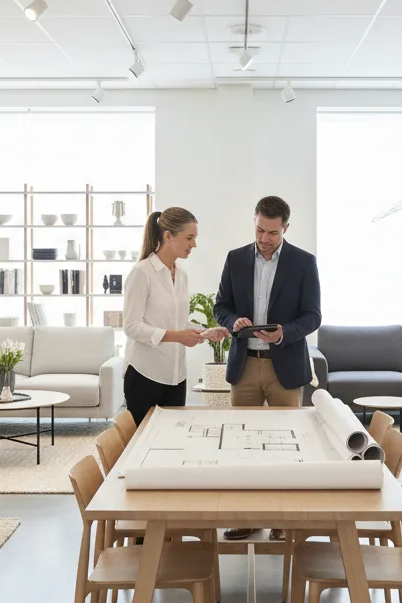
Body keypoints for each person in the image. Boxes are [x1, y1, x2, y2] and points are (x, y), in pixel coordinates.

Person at [214, 195, 322, 540]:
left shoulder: (304, 263)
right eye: (260, 230)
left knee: (286, 449)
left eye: (272, 233)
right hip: (244, 366)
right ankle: (247, 517)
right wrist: (233, 321)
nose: (264, 238)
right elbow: (221, 306)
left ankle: (282, 522)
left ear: (285, 228)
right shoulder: (235, 259)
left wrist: (283, 333)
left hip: (285, 367)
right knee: (242, 448)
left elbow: (313, 316)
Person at [122, 207, 228, 428]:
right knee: (143, 448)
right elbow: (132, 327)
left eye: (195, 238)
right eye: (189, 238)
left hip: (176, 376)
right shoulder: (142, 273)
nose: (194, 244)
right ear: (168, 236)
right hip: (145, 375)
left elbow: (177, 322)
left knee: (173, 441)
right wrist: (178, 336)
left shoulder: (181, 275)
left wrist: (204, 332)